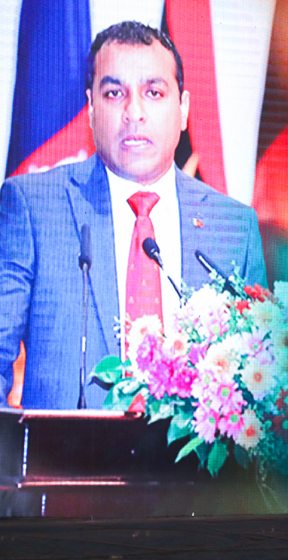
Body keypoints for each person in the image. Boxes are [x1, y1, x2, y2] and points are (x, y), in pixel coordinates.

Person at [0, 22, 266, 410]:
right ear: (91, 108)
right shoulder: (34, 207)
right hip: (61, 466)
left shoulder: (234, 228)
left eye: (153, 92)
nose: (133, 112)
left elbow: (260, 382)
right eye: (114, 93)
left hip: (192, 470)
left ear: (184, 109)